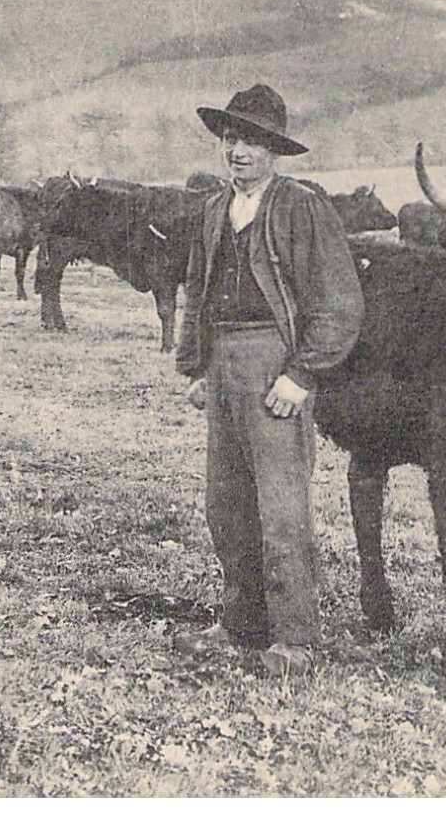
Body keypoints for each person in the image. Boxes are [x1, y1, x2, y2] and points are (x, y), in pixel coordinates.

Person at [172, 82, 365, 677]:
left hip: (273, 363)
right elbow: (196, 293)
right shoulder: (213, 210)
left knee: (281, 506)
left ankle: (296, 638)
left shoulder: (300, 207)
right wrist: (198, 365)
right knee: (225, 503)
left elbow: (339, 301)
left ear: (273, 151)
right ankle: (240, 623)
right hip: (224, 360)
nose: (239, 152)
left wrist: (302, 374)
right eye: (231, 139)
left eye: (252, 142)